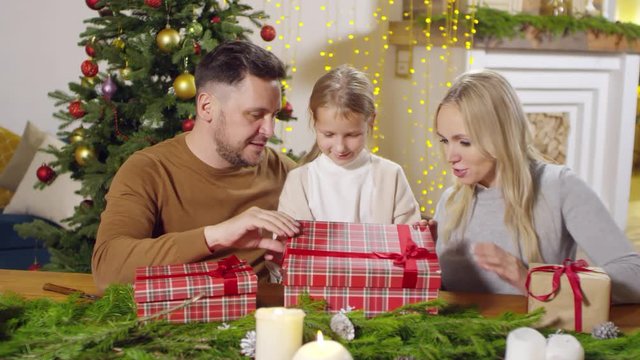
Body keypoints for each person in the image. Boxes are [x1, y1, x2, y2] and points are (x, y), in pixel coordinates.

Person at [92, 41, 300, 293]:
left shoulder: (287, 173)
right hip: (173, 325)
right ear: (206, 107)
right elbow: (107, 270)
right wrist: (214, 236)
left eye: (274, 115)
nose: (269, 130)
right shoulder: (148, 170)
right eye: (255, 115)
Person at [433, 69, 640, 303]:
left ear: (500, 135)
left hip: (535, 336)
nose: (450, 156)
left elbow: (634, 275)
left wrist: (530, 281)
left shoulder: (559, 187)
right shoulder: (450, 201)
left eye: (464, 142)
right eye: (444, 140)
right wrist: (423, 259)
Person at [277, 65, 421, 224]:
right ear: (315, 121)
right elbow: (285, 242)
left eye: (352, 135)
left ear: (371, 120)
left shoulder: (391, 176)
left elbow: (410, 239)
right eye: (329, 134)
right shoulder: (299, 181)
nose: (340, 147)